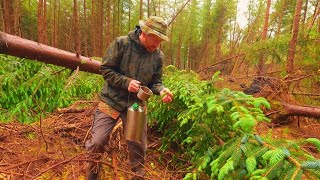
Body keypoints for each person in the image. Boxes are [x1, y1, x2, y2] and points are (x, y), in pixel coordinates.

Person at [85, 16, 174, 180]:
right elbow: (106, 69)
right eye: (155, 40)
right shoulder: (122, 44)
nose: (157, 45)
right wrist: (126, 82)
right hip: (111, 100)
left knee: (138, 146)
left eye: (160, 41)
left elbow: (156, 82)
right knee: (97, 141)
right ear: (144, 33)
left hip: (135, 104)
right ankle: (92, 174)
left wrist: (161, 90)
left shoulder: (157, 56)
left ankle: (137, 177)